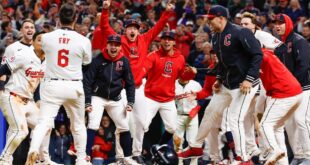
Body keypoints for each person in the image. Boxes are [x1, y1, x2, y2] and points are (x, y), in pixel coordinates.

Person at [90, 1, 176, 164]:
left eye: (135, 28)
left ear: (139, 30)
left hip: (139, 87)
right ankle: (121, 156)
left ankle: (136, 153)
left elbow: (158, 27)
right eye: (130, 28)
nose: (133, 30)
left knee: (142, 123)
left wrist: (166, 12)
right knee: (123, 123)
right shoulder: (119, 41)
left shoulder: (144, 39)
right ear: (125, 30)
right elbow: (104, 26)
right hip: (121, 88)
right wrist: (106, 9)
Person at [177, 5, 263, 165]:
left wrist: (249, 79)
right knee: (210, 111)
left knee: (234, 118)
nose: (208, 21)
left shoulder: (240, 32)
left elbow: (258, 54)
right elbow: (222, 64)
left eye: (211, 18)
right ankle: (196, 146)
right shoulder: (216, 37)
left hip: (245, 85)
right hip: (227, 84)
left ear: (221, 18)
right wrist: (218, 78)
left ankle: (244, 158)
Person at [25, 3, 92, 165]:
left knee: (44, 122)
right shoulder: (83, 40)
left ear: (58, 18)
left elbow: (45, 51)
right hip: (73, 85)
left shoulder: (47, 37)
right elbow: (87, 61)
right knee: (78, 125)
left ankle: (34, 149)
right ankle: (82, 159)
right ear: (75, 18)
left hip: (53, 85)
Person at [0, 26, 56, 165]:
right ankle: (4, 160)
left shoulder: (47, 61)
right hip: (12, 96)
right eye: (39, 40)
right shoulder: (24, 54)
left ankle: (42, 160)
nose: (42, 43)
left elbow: (37, 85)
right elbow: (2, 69)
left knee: (45, 126)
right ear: (33, 43)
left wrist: (38, 101)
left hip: (28, 100)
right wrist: (1, 88)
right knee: (21, 131)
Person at [83, 34, 137, 165]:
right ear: (106, 45)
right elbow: (87, 81)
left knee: (124, 126)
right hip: (98, 97)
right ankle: (85, 157)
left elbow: (130, 83)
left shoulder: (124, 61)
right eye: (111, 44)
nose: (113, 47)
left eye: (116, 45)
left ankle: (128, 157)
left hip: (115, 98)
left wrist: (130, 102)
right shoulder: (98, 59)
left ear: (120, 47)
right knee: (93, 124)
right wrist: (87, 102)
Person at [140, 31, 185, 154]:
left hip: (168, 99)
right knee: (142, 125)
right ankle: (139, 152)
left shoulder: (180, 58)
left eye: (169, 39)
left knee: (172, 128)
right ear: (160, 41)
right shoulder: (153, 55)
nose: (166, 41)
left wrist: (190, 73)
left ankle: (158, 148)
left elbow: (182, 77)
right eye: (164, 39)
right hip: (151, 97)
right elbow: (144, 70)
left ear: (174, 42)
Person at [273, 13, 310, 165]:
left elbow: (304, 65)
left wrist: (290, 83)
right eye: (275, 23)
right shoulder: (280, 45)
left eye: (281, 23)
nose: (277, 25)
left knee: (301, 120)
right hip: (288, 91)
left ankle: (308, 155)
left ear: (288, 24)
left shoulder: (299, 40)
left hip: (304, 87)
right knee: (289, 123)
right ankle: (299, 154)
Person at [258, 49, 303, 165]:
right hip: (296, 92)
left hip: (284, 93)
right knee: (277, 129)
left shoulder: (260, 56)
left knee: (264, 125)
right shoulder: (265, 53)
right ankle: (283, 162)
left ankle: (274, 151)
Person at [174, 66, 201, 165]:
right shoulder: (173, 84)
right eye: (184, 70)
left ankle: (194, 163)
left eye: (187, 70)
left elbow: (202, 99)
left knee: (193, 143)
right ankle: (179, 163)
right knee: (177, 143)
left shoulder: (196, 84)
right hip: (178, 115)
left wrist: (196, 109)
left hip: (192, 116)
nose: (185, 72)